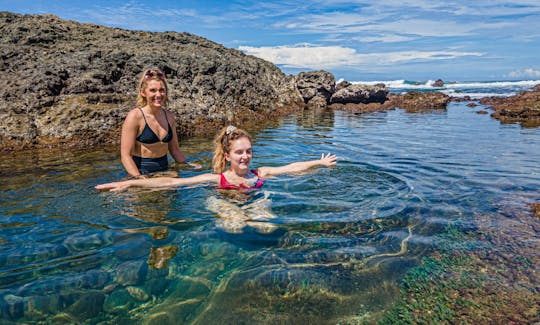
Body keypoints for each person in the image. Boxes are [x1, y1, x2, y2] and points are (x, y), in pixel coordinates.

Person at [96, 125, 337, 192]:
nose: (245, 157)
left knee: (266, 224)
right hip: (226, 203)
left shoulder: (260, 173)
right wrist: (130, 182)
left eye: (248, 151)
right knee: (233, 224)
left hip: (253, 201)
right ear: (227, 155)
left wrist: (318, 162)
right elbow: (171, 183)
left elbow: (292, 168)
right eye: (239, 152)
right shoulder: (216, 178)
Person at [120, 67, 200, 178]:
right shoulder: (135, 116)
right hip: (142, 172)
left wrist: (186, 165)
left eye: (162, 90)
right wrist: (138, 178)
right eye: (153, 90)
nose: (158, 95)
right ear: (143, 92)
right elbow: (125, 155)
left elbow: (175, 149)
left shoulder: (169, 116)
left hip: (165, 171)